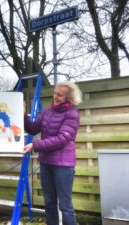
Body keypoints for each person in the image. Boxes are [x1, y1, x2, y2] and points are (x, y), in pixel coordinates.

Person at [23, 81, 82, 225]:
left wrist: (35, 145)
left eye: (60, 95)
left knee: (65, 205)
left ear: (69, 98)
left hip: (63, 165)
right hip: (46, 163)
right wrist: (24, 114)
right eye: (55, 93)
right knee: (49, 203)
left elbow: (62, 139)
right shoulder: (47, 112)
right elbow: (32, 128)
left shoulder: (72, 114)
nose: (56, 97)